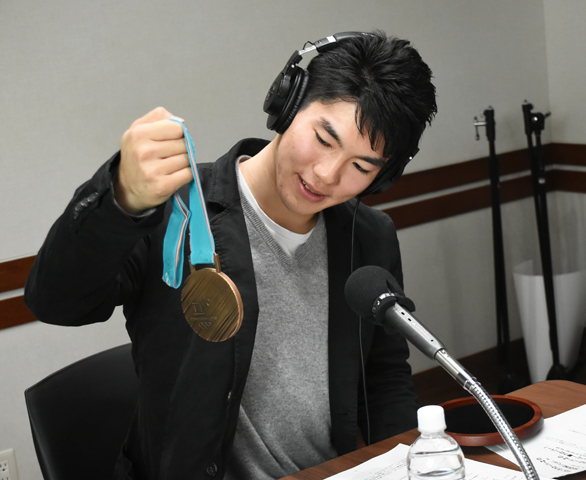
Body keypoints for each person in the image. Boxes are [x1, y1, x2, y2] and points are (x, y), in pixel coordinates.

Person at [25, 31, 437, 480]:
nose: (326, 174)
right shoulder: (177, 210)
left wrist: (408, 466)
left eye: (360, 167)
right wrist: (121, 199)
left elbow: (384, 377)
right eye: (323, 139)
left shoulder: (370, 236)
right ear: (287, 103)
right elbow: (56, 301)